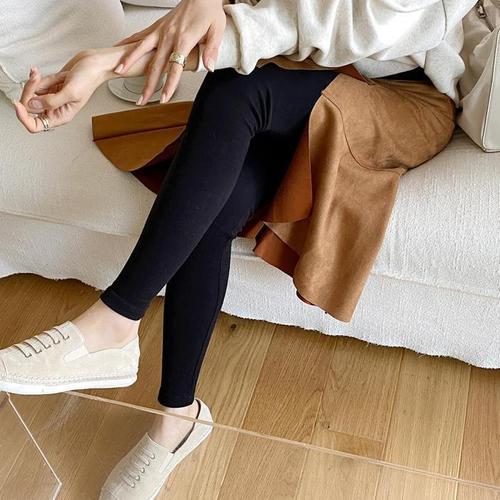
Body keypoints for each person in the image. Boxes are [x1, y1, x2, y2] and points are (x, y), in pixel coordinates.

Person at [1, 0, 476, 498]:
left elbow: (323, 26)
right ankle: (178, 416)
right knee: (216, 198)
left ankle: (115, 321)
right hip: (304, 70)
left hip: (403, 96)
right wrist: (104, 59)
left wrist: (104, 64)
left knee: (235, 88)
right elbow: (216, 21)